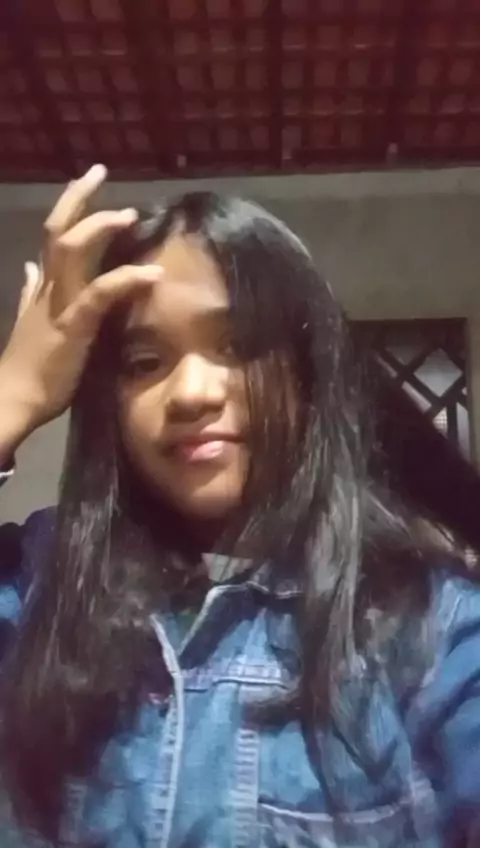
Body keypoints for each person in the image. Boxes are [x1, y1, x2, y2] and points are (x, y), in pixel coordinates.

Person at [0, 165, 480, 848]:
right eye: (143, 362)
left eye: (236, 345)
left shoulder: (432, 625)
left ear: (309, 371)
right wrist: (11, 396)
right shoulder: (39, 588)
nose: (191, 392)